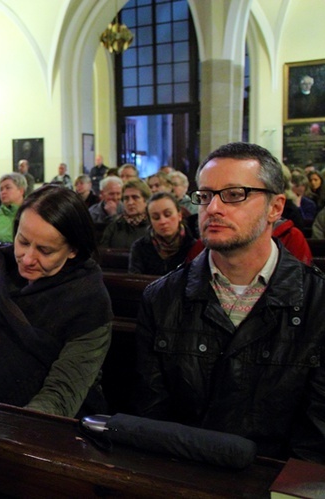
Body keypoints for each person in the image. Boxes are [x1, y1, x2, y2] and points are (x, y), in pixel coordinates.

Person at [135, 142, 325, 462]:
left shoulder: (317, 302)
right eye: (206, 196)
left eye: (234, 194)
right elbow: (152, 418)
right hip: (184, 474)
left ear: (275, 208)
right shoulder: (162, 298)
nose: (213, 209)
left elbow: (315, 439)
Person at [0, 185, 112, 418]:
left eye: (45, 250)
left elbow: (62, 393)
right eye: (22, 242)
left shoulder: (89, 299)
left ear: (73, 250)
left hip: (53, 428)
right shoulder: (2, 277)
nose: (28, 259)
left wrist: (9, 437)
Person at [129, 192, 196, 275]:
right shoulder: (140, 247)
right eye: (156, 217)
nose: (162, 221)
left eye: (167, 214)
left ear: (179, 215)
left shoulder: (194, 247)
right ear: (150, 221)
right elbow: (135, 282)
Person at [100, 179, 151, 249]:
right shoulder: (114, 226)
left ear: (146, 201)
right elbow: (103, 253)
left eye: (135, 197)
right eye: (126, 198)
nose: (130, 202)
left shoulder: (153, 227)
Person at [0, 172, 26, 243]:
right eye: (1, 189)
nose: (3, 192)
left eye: (8, 188)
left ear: (21, 191)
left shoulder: (29, 214)